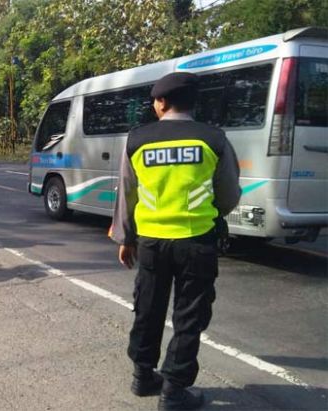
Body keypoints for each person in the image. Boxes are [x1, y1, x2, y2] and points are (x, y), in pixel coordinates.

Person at [110, 72, 241, 410]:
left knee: (148, 308)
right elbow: (228, 196)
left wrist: (126, 238)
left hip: (152, 242)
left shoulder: (138, 140)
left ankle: (142, 377)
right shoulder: (213, 139)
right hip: (197, 242)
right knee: (189, 316)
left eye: (155, 101)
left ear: (163, 102)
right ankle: (174, 391)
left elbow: (127, 193)